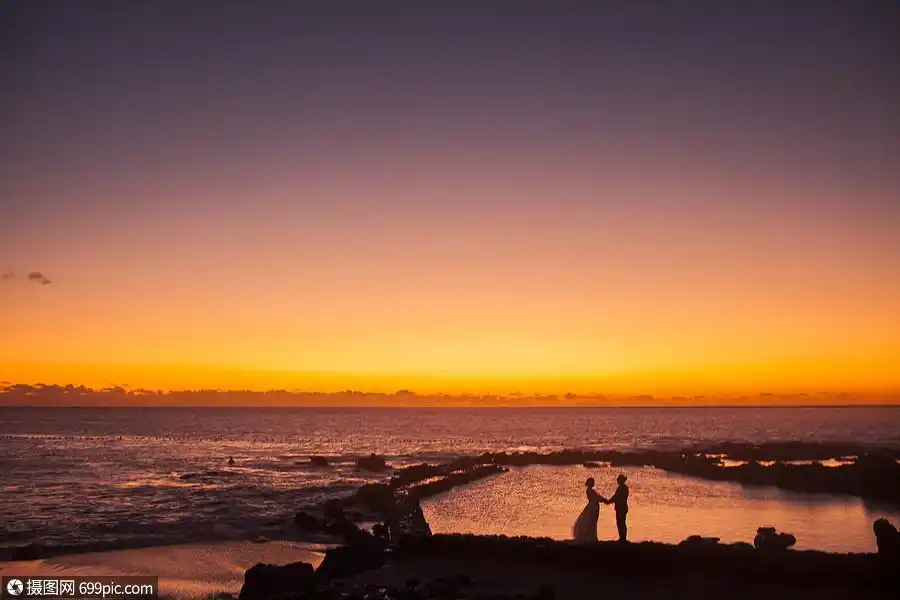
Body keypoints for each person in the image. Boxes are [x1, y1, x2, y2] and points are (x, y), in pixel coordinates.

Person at [572, 477, 606, 543]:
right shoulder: (590, 490)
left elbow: (598, 497)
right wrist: (606, 501)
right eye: (592, 482)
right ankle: (591, 537)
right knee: (591, 521)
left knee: (591, 521)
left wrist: (605, 500)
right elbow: (598, 497)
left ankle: (591, 537)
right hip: (593, 507)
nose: (594, 483)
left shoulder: (590, 490)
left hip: (593, 506)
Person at [605, 473, 629, 542]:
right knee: (621, 522)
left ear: (621, 480)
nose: (617, 481)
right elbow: (616, 497)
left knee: (621, 522)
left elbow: (616, 497)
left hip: (621, 507)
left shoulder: (622, 488)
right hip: (622, 507)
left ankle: (623, 538)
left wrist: (608, 501)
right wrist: (609, 501)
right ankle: (622, 538)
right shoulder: (622, 487)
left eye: (618, 480)